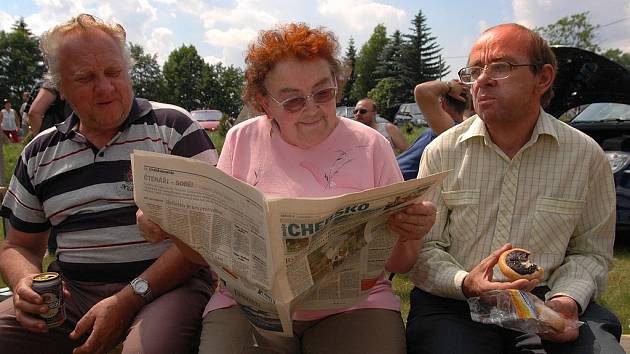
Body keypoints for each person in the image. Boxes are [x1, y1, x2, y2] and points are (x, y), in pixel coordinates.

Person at [137, 22, 437, 354]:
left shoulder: (371, 145)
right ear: (264, 102)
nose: (312, 107)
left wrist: (411, 231)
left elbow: (401, 264)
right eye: (293, 100)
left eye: (324, 92)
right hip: (250, 309)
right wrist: (170, 219)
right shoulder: (242, 139)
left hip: (354, 306)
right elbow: (210, 251)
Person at [0, 14, 217, 354]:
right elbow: (19, 245)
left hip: (165, 289)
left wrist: (128, 299)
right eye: (85, 77)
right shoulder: (39, 152)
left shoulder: (174, 128)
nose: (105, 87)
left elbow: (208, 238)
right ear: (61, 88)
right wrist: (24, 283)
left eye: (113, 72)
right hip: (71, 296)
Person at [406, 23, 623, 354]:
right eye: (475, 71)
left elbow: (591, 252)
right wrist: (466, 283)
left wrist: (567, 300)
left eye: (501, 67)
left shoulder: (585, 155)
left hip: (547, 299)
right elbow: (424, 248)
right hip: (457, 306)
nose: (483, 80)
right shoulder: (443, 151)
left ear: (543, 78)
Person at [397, 79, 468, 180]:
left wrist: (450, 86)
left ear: (442, 104)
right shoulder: (464, 128)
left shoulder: (448, 129)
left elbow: (423, 91)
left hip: (392, 184)